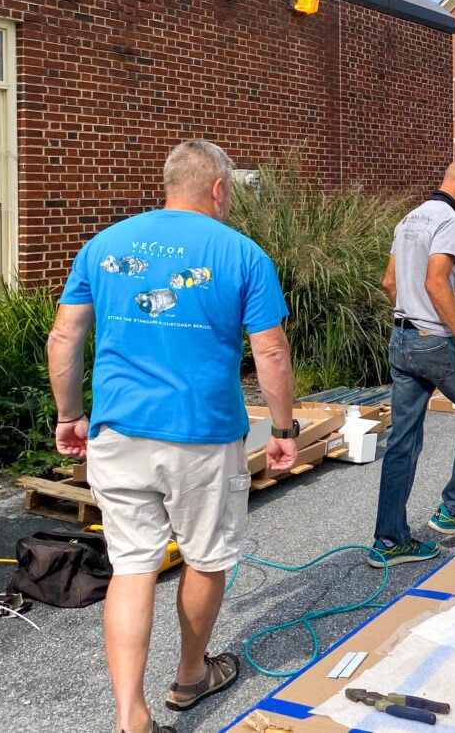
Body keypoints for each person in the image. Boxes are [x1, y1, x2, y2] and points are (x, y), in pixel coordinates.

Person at [47, 140, 298, 733]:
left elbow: (64, 338)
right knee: (206, 557)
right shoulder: (242, 254)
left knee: (132, 566)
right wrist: (284, 428)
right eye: (229, 190)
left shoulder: (102, 245)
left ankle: (130, 716)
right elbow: (270, 350)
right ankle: (190, 674)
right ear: (217, 188)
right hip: (203, 436)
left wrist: (68, 415)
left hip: (119, 430)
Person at [368, 158, 455, 568]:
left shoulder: (410, 218)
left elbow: (390, 282)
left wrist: (409, 322)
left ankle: (389, 541)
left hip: (401, 338)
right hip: (433, 341)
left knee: (402, 441)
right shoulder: (449, 220)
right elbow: (435, 281)